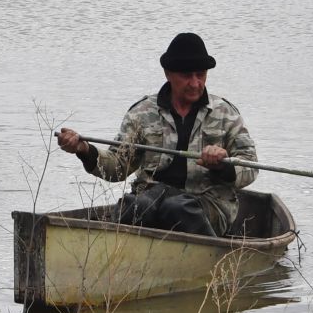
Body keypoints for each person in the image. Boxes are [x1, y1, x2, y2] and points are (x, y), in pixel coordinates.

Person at [55, 32, 257, 236]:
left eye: (201, 74)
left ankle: (207, 255)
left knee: (177, 209)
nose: (195, 83)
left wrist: (223, 165)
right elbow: (116, 168)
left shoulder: (226, 114)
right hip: (150, 199)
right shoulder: (141, 114)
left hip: (208, 206)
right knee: (134, 207)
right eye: (187, 76)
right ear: (168, 73)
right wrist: (83, 150)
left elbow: (251, 166)